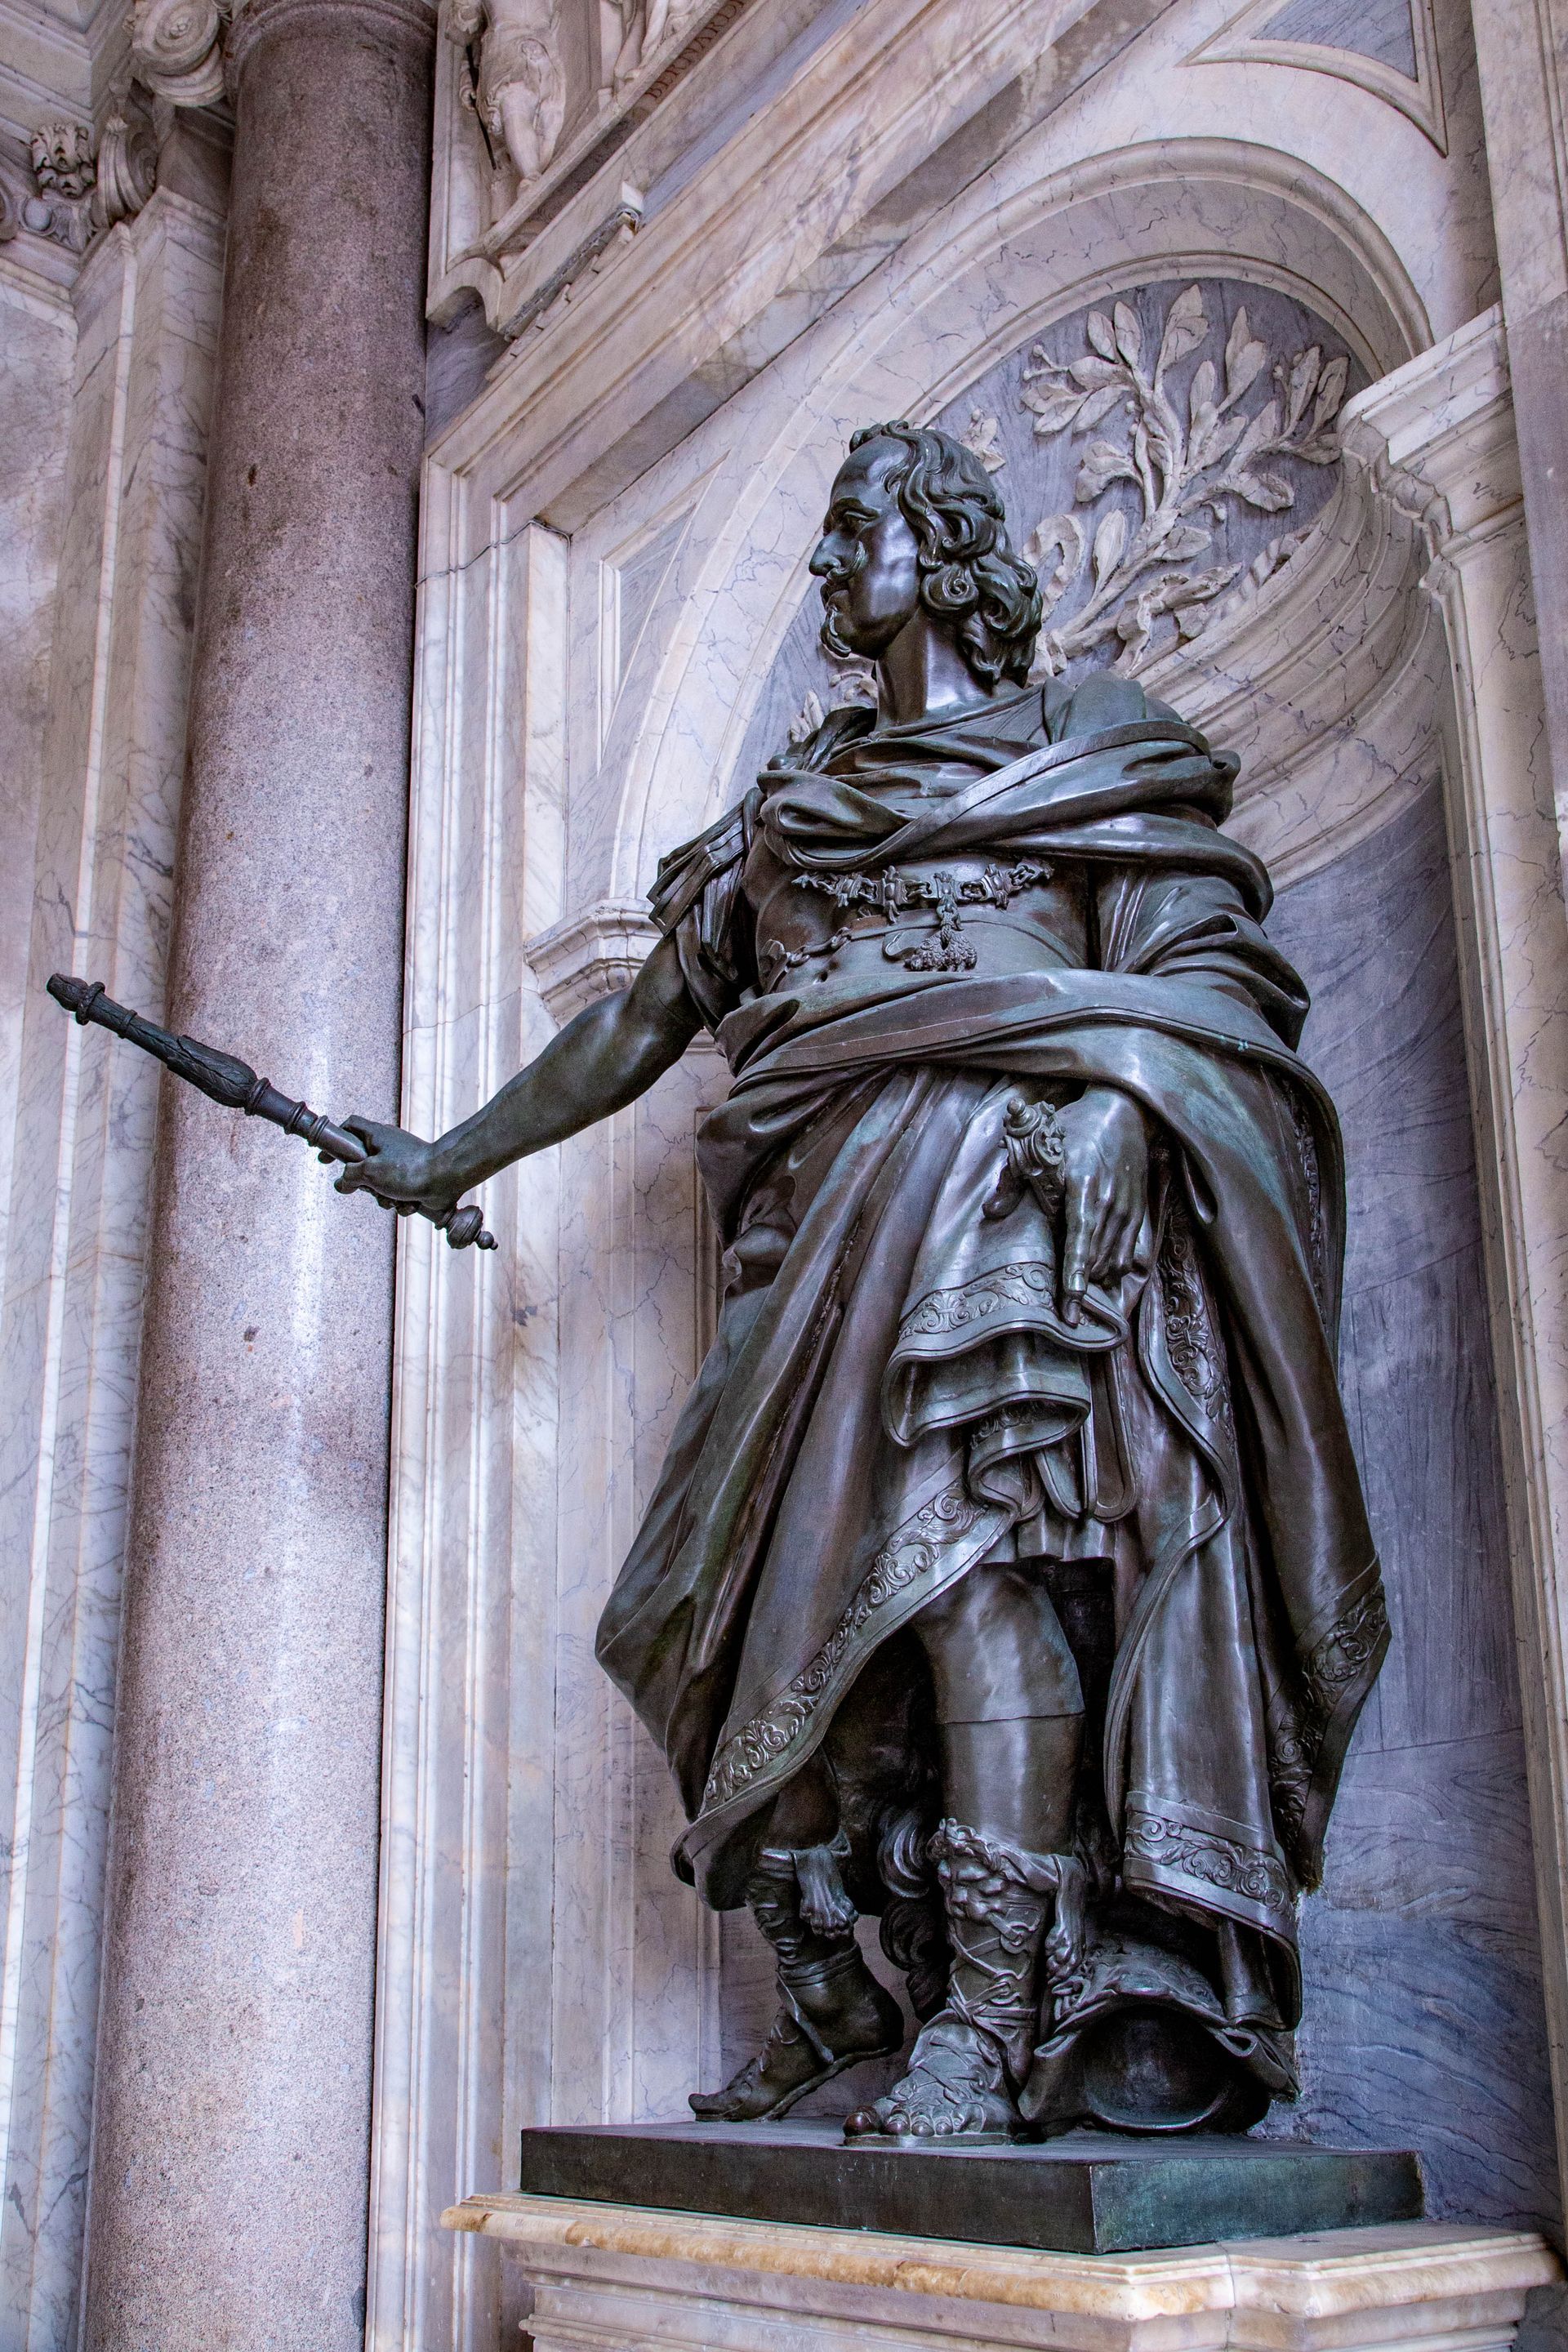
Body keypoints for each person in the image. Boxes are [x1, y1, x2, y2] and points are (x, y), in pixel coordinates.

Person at [340, 421, 1386, 2140]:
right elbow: (636, 1024)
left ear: (944, 543)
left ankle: (984, 2025)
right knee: (725, 1606)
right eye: (824, 539)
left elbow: (1198, 979)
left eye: (855, 531)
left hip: (1007, 1216)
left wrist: (1131, 1114)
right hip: (810, 1239)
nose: (830, 569)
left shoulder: (1087, 746)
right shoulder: (785, 817)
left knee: (979, 1587)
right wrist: (449, 1158)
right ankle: (829, 1997)